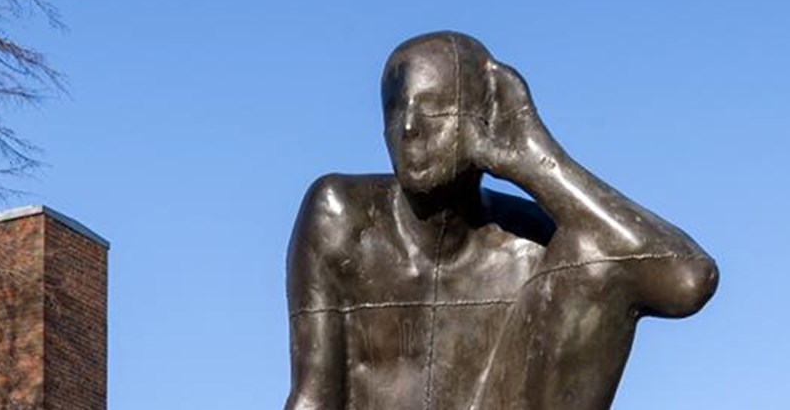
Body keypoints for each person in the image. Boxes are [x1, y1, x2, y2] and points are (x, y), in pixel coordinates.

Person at [283, 31, 719, 410]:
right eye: (396, 109)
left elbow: (688, 281)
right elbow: (314, 395)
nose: (410, 128)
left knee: (596, 252)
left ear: (483, 119)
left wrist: (536, 157)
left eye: (434, 108)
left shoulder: (534, 243)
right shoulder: (340, 217)